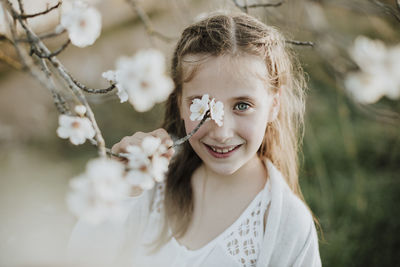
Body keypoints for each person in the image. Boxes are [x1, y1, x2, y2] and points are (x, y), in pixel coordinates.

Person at [67, 11, 322, 267]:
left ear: (273, 106)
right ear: (179, 102)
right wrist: (120, 191)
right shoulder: (150, 182)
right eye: (201, 106)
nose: (221, 133)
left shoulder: (287, 226)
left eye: (242, 106)